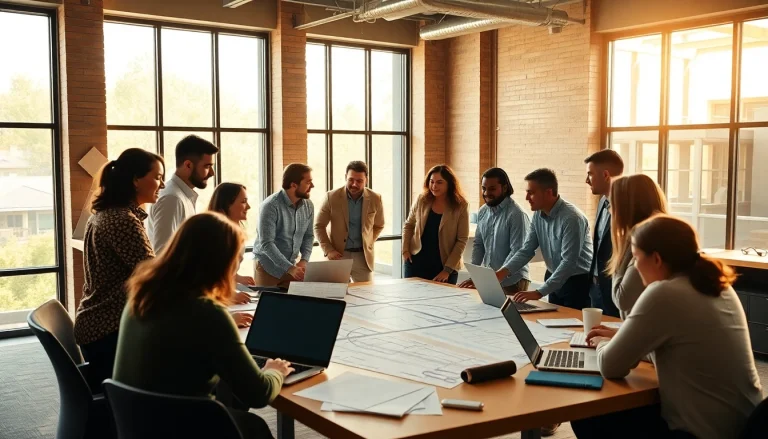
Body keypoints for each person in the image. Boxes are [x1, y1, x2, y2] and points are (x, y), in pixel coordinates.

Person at [575, 215, 762, 439]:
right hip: (743, 425)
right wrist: (622, 336)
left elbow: (610, 365)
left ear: (656, 259)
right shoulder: (715, 285)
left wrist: (604, 342)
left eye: (635, 258)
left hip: (700, 433)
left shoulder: (664, 293)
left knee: (586, 411)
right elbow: (678, 346)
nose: (634, 266)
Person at [114, 213, 293, 439]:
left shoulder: (141, 297)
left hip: (137, 425)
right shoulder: (208, 313)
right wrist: (275, 371)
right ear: (219, 263)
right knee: (253, 427)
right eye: (235, 260)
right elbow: (259, 394)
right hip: (181, 427)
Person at [74, 148, 164, 386]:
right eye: (157, 177)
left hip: (99, 326)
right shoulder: (122, 219)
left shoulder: (107, 213)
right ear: (136, 180)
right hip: (108, 331)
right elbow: (153, 276)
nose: (161, 184)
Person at [496, 168, 593, 309]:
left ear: (548, 192)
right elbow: (526, 250)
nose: (527, 198)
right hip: (553, 276)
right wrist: (501, 273)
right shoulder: (538, 215)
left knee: (574, 328)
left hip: (576, 282)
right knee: (553, 326)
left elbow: (568, 262)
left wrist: (539, 292)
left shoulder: (572, 218)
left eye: (531, 193)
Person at [459, 168, 531, 294]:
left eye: (492, 189)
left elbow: (517, 251)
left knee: (504, 314)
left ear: (504, 188)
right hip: (491, 279)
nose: (486, 193)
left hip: (513, 281)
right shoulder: (483, 211)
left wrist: (499, 275)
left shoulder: (516, 215)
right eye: (484, 188)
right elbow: (479, 245)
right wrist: (475, 277)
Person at [607, 174, 668, 319]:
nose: (610, 210)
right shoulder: (659, 238)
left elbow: (622, 298)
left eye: (613, 204)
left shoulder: (647, 246)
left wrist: (621, 254)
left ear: (626, 208)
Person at [314, 161, 385, 282]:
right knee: (338, 296)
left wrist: (367, 241)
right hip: (338, 256)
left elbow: (379, 225)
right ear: (345, 177)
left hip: (363, 258)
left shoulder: (375, 198)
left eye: (359, 181)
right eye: (351, 179)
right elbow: (319, 226)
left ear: (366, 180)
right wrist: (328, 250)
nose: (354, 184)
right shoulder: (331, 197)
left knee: (366, 297)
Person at [148, 134, 217, 253]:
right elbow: (162, 253)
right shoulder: (171, 199)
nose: (212, 173)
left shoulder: (182, 196)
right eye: (207, 166)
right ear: (188, 165)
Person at [402, 165, 469, 285]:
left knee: (443, 302)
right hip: (416, 262)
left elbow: (462, 240)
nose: (434, 186)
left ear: (449, 184)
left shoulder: (461, 205)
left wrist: (447, 270)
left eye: (439, 182)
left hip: (444, 266)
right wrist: (405, 250)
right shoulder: (422, 199)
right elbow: (409, 225)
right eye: (431, 182)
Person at [253, 163, 315, 288]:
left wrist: (304, 260)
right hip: (267, 268)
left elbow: (308, 236)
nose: (312, 186)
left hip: (292, 267)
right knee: (268, 306)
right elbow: (266, 243)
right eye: (308, 182)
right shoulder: (270, 206)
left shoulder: (308, 206)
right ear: (293, 185)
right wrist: (290, 268)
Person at [208, 182, 260, 328]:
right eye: (243, 202)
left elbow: (221, 270)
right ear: (226, 205)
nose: (248, 207)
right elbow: (209, 276)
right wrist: (228, 296)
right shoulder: (218, 236)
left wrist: (237, 278)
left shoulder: (233, 233)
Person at [584, 149, 624, 317]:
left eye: (590, 174)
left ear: (606, 175)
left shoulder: (626, 208)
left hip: (615, 289)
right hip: (596, 287)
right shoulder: (602, 202)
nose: (587, 180)